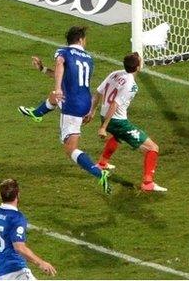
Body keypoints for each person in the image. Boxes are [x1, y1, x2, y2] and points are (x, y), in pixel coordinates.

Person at [18, 26, 111, 193]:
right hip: (85, 103)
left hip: (72, 105)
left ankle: (99, 173)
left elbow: (60, 65)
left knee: (70, 150)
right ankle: (37, 113)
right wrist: (43, 69)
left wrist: (58, 87)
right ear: (81, 40)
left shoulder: (64, 52)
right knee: (53, 98)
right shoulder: (88, 58)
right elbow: (69, 75)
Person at [85, 52, 167, 192]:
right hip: (116, 121)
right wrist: (103, 127)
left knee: (117, 137)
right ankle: (148, 183)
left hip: (105, 116)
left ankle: (102, 163)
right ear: (138, 67)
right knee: (152, 148)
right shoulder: (131, 85)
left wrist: (92, 112)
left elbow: (98, 92)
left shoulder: (115, 73)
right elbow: (115, 104)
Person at [0, 179, 57, 280]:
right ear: (18, 194)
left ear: (1, 195)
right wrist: (41, 263)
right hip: (16, 272)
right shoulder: (16, 217)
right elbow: (19, 248)